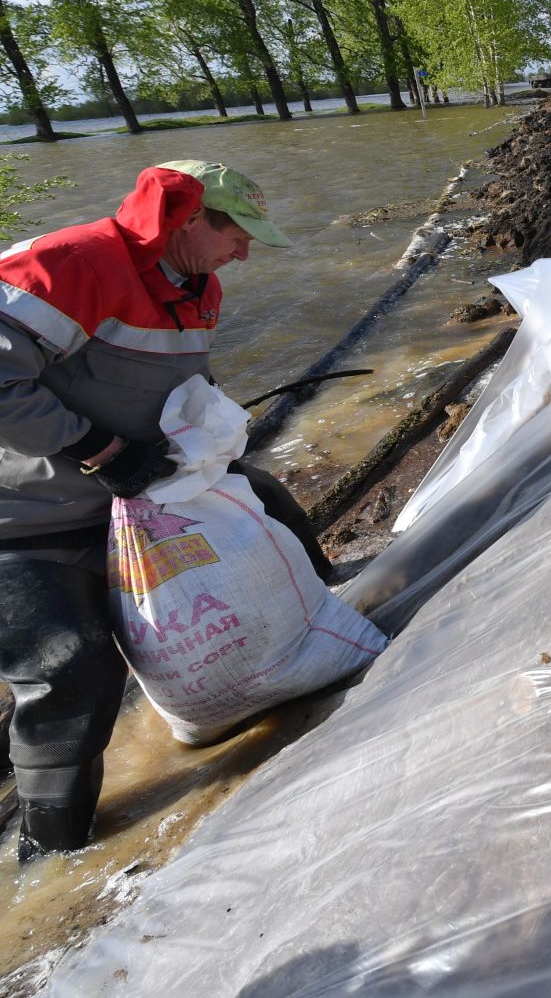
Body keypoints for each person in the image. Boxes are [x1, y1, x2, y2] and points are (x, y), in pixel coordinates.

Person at [0, 161, 332, 862]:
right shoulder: (72, 263)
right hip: (26, 517)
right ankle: (56, 859)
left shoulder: (196, 284)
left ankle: (322, 639)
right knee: (72, 670)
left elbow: (176, 381)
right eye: (237, 236)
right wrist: (101, 449)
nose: (244, 255)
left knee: (266, 507)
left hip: (130, 494)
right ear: (188, 221)